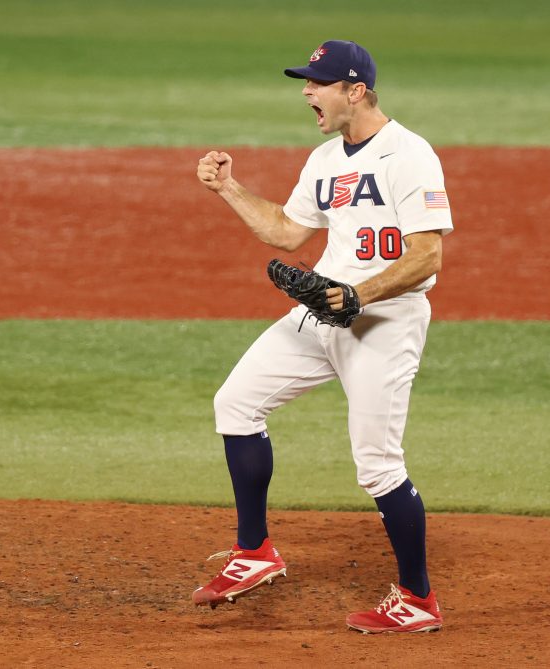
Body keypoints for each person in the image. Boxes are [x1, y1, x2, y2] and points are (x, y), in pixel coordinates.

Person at [193, 39, 453, 634]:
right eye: (306, 82)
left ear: (355, 90)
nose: (307, 92)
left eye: (318, 83)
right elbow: (287, 234)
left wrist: (361, 295)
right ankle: (255, 552)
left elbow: (428, 255)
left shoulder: (409, 156)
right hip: (321, 311)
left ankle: (417, 599)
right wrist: (229, 190)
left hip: (385, 321)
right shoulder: (327, 159)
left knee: (378, 465)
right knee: (236, 403)